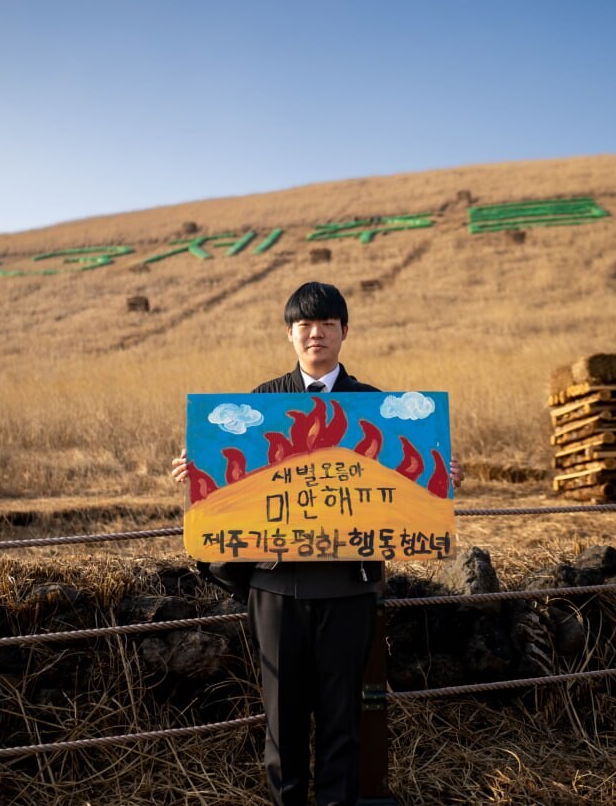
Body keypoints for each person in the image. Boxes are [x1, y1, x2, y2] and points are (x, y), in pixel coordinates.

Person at [172, 281, 461, 806]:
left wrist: (441, 476)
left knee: (341, 720)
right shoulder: (257, 403)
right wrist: (200, 471)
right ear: (290, 334)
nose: (316, 334)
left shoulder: (377, 406)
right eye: (305, 325)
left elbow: (405, 490)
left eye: (327, 324)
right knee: (281, 725)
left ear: (344, 332)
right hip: (275, 587)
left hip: (350, 588)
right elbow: (230, 487)